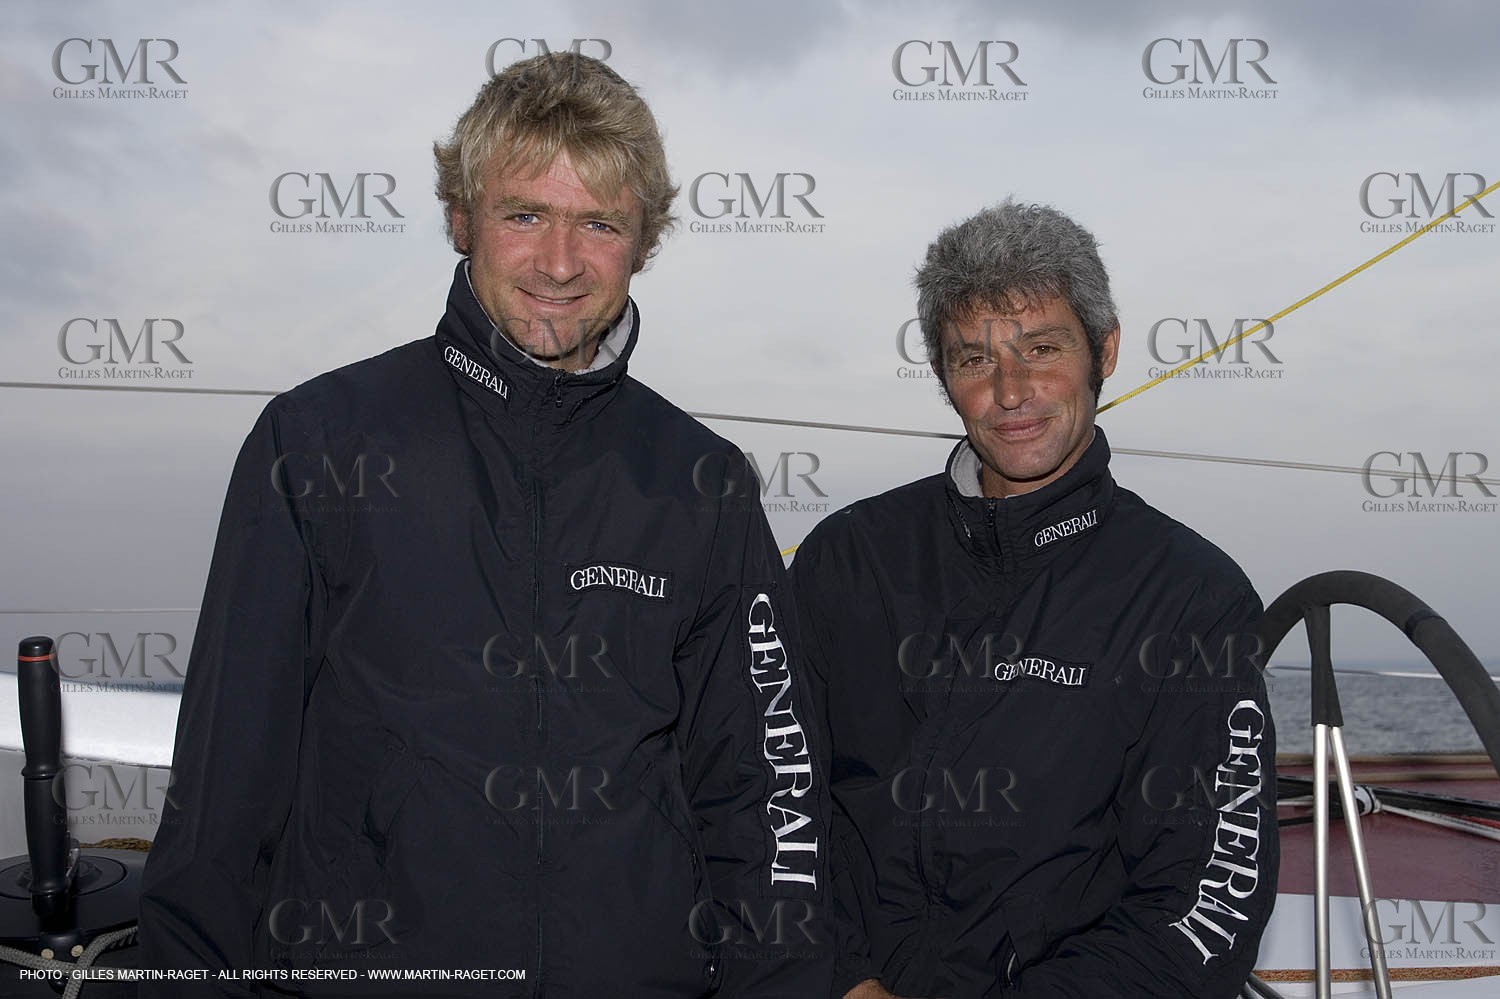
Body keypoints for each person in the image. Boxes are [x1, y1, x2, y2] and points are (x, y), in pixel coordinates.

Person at [139, 53, 829, 997]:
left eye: (598, 223)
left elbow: (767, 801)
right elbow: (223, 794)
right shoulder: (317, 442)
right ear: (462, 220)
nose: (558, 261)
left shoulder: (701, 483)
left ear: (643, 241)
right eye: (523, 214)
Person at [791, 200, 1277, 998]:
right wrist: (846, 977)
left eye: (1041, 349)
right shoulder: (847, 559)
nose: (1011, 391)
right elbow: (771, 801)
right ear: (945, 376)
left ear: (1105, 350)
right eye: (974, 359)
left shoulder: (1194, 598)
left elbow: (1204, 907)